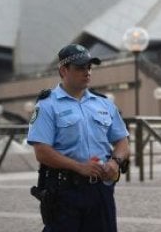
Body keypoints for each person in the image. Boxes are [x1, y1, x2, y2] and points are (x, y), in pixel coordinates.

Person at [27, 44, 130, 232]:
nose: (87, 72)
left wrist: (115, 163)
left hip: (100, 190)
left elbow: (122, 141)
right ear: (63, 70)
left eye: (89, 67)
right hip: (64, 191)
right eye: (80, 68)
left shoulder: (104, 104)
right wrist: (80, 167)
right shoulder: (47, 105)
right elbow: (42, 151)